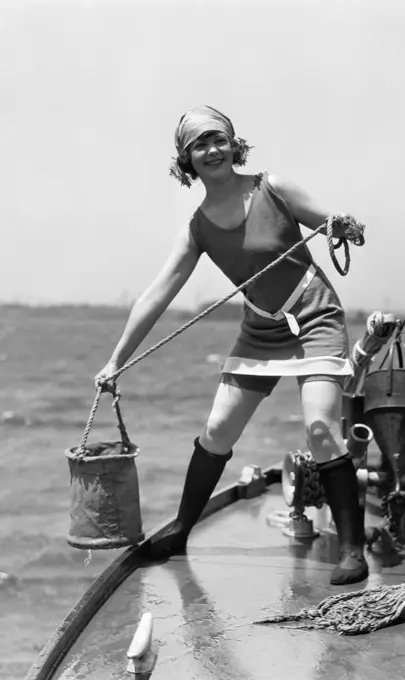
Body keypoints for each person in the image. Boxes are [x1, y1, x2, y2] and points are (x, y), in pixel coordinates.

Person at [95, 105, 368, 586]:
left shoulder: (272, 188)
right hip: (261, 328)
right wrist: (116, 361)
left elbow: (337, 224)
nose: (212, 150)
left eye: (218, 139)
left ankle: (351, 549)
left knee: (322, 430)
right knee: (217, 430)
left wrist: (346, 226)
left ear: (233, 143)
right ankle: (181, 530)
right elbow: (157, 293)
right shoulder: (198, 228)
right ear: (187, 159)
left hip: (314, 316)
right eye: (200, 144)